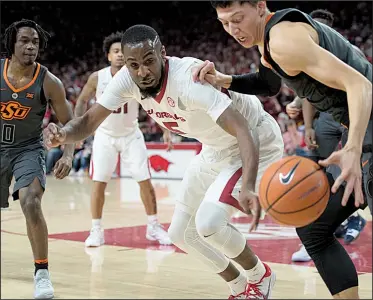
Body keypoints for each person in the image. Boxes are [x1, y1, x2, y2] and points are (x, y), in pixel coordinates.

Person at [43, 24, 284, 299]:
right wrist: (62, 135)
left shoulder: (189, 80)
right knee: (180, 234)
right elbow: (87, 121)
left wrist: (250, 184)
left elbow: (242, 130)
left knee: (209, 223)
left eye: (149, 61)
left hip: (253, 141)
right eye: (134, 65)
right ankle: (239, 287)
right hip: (214, 148)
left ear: (163, 54)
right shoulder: (126, 79)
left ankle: (260, 276)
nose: (142, 72)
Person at [193, 1, 372, 298]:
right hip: (363, 132)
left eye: (238, 18)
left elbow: (361, 85)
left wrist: (353, 148)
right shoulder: (270, 44)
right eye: (225, 23)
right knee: (314, 230)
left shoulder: (284, 40)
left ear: (260, 6)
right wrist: (224, 80)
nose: (233, 29)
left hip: (366, 136)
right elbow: (267, 83)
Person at [1, 19, 76, 299]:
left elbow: (71, 123)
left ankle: (42, 273)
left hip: (27, 149)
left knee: (31, 201)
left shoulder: (49, 81)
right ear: (12, 43)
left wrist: (68, 154)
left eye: (35, 42)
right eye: (24, 41)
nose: (31, 46)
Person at [74, 32, 172, 246]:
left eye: (122, 52)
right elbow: (82, 102)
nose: (119, 55)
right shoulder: (97, 77)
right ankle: (96, 230)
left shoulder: (137, 74)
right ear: (108, 56)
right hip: (105, 136)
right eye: (115, 51)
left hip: (131, 134)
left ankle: (153, 226)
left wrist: (165, 127)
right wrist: (80, 129)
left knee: (145, 181)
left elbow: (155, 103)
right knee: (98, 183)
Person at [285, 9, 367, 262]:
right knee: (322, 173)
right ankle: (335, 225)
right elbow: (310, 92)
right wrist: (307, 124)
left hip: (351, 117)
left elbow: (360, 88)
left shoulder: (350, 52)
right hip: (324, 120)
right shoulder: (305, 53)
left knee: (348, 173)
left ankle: (348, 219)